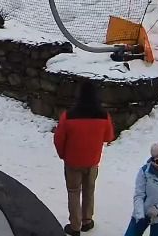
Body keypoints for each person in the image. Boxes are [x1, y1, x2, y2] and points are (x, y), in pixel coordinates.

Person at [53, 82, 115, 234]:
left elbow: (58, 139)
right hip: (92, 161)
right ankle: (87, 220)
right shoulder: (103, 116)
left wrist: (63, 155)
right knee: (89, 190)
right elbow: (109, 137)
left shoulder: (68, 116)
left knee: (74, 191)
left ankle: (75, 226)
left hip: (73, 161)